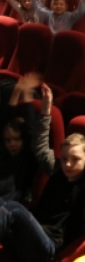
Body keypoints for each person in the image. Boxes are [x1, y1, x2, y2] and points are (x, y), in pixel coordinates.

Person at [0, 84, 85, 261]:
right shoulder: (58, 170)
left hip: (49, 247)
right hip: (30, 236)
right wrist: (46, 109)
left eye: (75, 159)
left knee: (14, 210)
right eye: (64, 158)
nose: (68, 164)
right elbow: (40, 147)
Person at [0, 74, 38, 202]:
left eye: (17, 140)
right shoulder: (5, 153)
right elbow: (7, 119)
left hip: (10, 197)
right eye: (8, 141)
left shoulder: (26, 154)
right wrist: (16, 92)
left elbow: (29, 129)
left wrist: (27, 94)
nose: (12, 144)